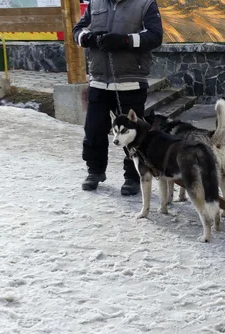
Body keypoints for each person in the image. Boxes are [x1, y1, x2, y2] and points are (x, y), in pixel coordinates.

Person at [72, 0, 163, 194]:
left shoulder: (145, 4)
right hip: (98, 81)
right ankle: (95, 171)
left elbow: (155, 36)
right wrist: (87, 38)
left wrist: (125, 41)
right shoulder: (95, 3)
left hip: (131, 81)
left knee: (133, 135)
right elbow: (77, 30)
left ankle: (132, 177)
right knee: (93, 130)